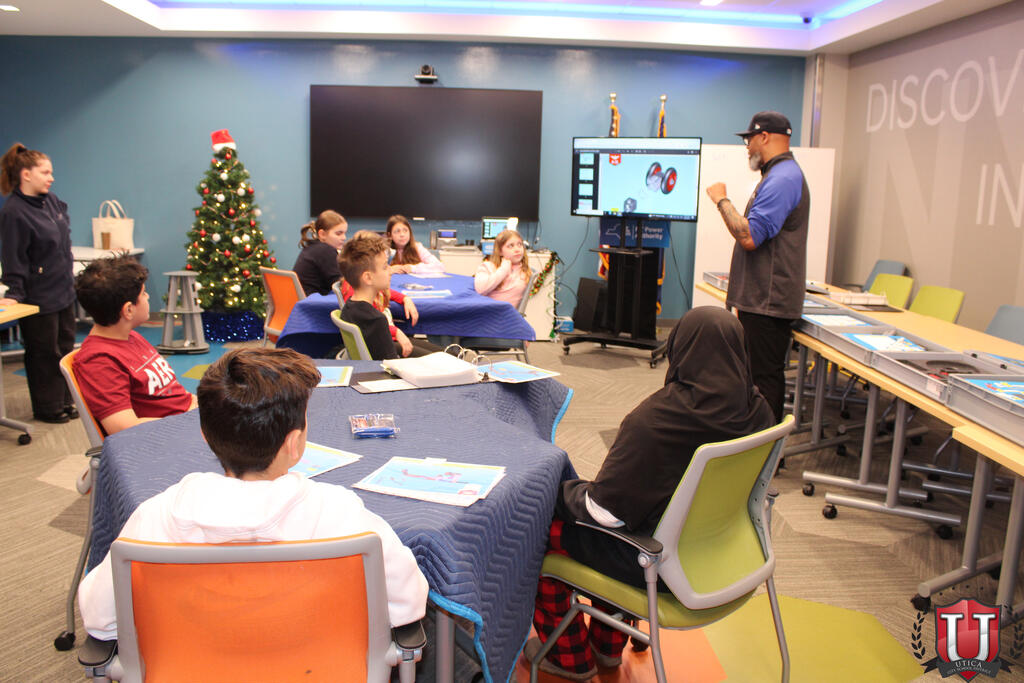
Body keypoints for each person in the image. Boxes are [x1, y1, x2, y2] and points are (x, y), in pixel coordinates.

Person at [78, 346, 429, 641]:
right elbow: (407, 604)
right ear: (294, 444)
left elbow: (99, 618)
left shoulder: (155, 517)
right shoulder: (342, 514)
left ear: (204, 436)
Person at [526, 307, 774, 680]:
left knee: (541, 530)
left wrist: (557, 494)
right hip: (721, 553)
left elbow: (604, 514)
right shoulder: (760, 412)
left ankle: (569, 658)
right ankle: (607, 646)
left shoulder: (655, 422)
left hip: (657, 563)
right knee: (631, 515)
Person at [705, 111, 809, 421]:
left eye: (749, 140)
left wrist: (721, 200)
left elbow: (749, 236)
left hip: (768, 301)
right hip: (761, 299)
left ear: (764, 137)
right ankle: (757, 437)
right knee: (756, 375)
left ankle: (766, 445)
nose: (747, 147)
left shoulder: (783, 179)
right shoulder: (778, 175)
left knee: (764, 379)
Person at [73, 255, 196, 436]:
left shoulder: (131, 336)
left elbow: (172, 395)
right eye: (144, 293)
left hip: (188, 419)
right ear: (128, 310)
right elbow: (124, 428)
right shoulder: (99, 361)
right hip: (172, 435)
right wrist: (189, 419)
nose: (148, 297)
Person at [0, 143, 78, 424]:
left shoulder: (51, 201)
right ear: (26, 175)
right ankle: (48, 407)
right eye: (45, 172)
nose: (51, 178)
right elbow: (13, 256)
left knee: (65, 348)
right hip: (38, 296)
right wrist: (15, 292)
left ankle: (67, 399)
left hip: (63, 290)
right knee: (44, 353)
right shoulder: (14, 212)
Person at [339, 233, 439, 360]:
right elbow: (391, 365)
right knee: (445, 358)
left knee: (443, 354)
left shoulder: (348, 308)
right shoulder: (377, 320)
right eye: (385, 266)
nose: (390, 270)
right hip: (385, 370)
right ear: (368, 277)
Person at [292, 210, 347, 296]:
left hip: (304, 300)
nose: (344, 237)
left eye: (344, 233)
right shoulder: (325, 250)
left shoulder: (312, 248)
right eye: (338, 234)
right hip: (313, 301)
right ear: (322, 234)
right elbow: (341, 286)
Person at [474, 229, 531, 308]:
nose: (517, 249)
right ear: (500, 251)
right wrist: (503, 269)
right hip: (486, 312)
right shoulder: (487, 266)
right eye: (510, 246)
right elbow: (480, 290)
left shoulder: (524, 271)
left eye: (520, 244)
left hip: (506, 314)